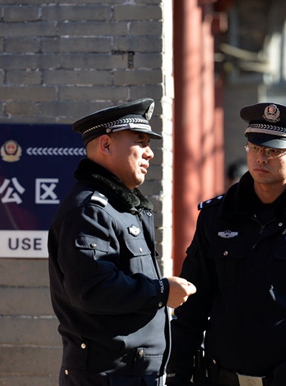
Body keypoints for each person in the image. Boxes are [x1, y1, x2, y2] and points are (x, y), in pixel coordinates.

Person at [166, 102, 286, 386]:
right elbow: (193, 302)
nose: (261, 158)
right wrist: (178, 370)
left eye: (273, 151)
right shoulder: (218, 216)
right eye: (254, 147)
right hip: (222, 378)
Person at [48, 98, 197, 386]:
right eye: (140, 142)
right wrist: (162, 291)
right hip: (106, 375)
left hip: (131, 374)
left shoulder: (121, 207)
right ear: (105, 145)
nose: (149, 154)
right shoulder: (89, 210)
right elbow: (93, 290)